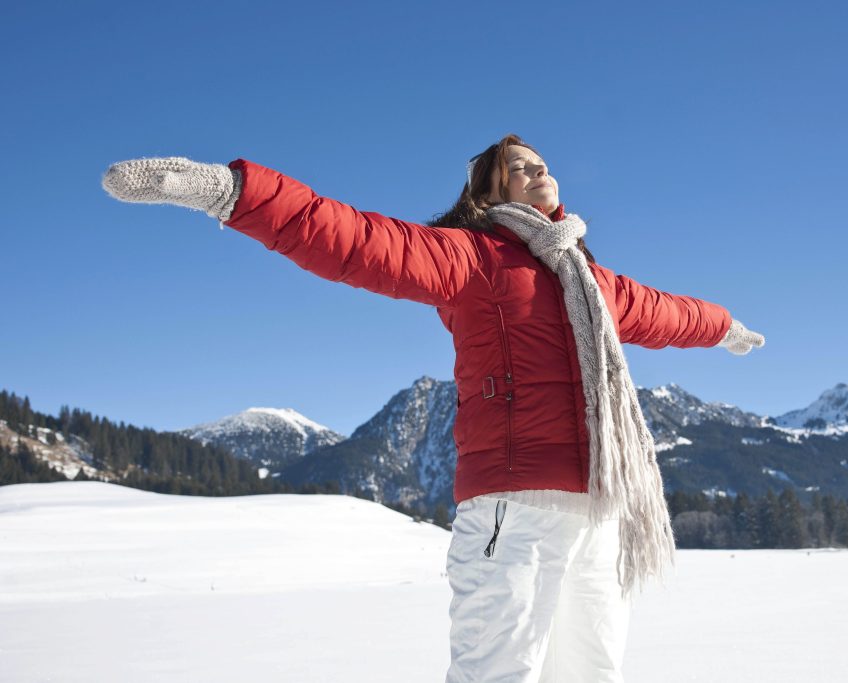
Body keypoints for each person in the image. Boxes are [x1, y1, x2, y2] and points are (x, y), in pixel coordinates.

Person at [102, 133, 765, 682]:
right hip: (513, 516)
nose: (538, 171)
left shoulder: (591, 282)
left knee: (593, 672)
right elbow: (354, 239)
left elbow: (667, 312)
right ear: (488, 192)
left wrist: (725, 326)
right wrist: (233, 191)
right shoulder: (472, 258)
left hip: (596, 511)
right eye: (518, 167)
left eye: (541, 162)